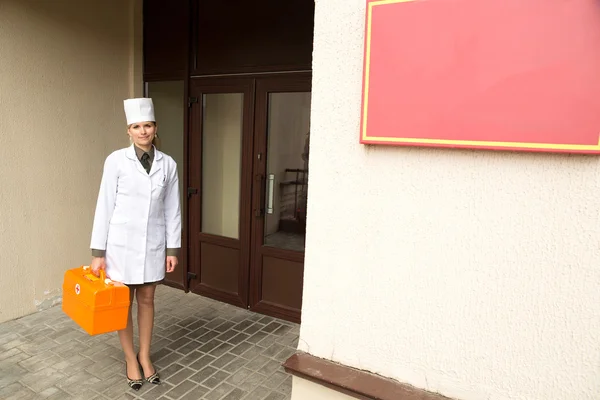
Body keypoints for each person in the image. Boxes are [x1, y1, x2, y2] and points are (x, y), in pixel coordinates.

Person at [89, 98, 181, 390]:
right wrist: (98, 253)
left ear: (155, 128)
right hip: (120, 246)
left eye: (148, 125)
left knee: (148, 300)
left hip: (153, 243)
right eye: (136, 126)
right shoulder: (116, 160)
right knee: (122, 305)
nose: (143, 131)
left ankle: (145, 355)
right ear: (128, 131)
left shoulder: (168, 164)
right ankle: (130, 358)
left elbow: (172, 209)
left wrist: (172, 249)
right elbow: (104, 205)